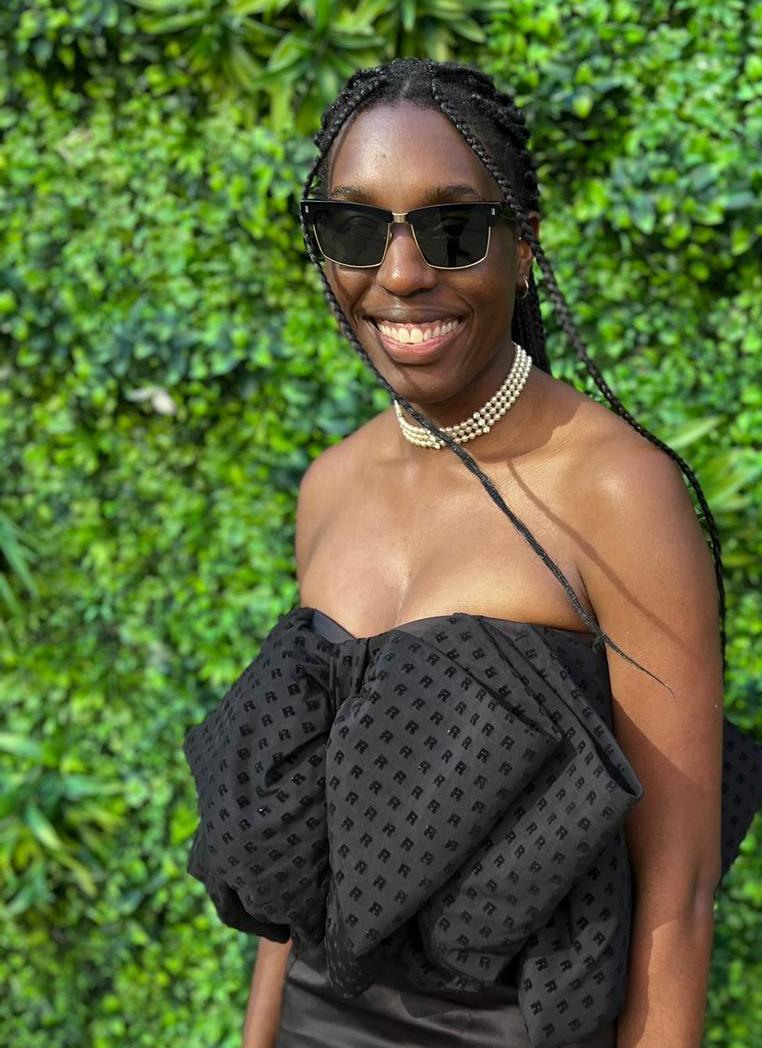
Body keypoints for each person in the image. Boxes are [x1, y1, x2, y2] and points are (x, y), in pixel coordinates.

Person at [189, 57, 727, 1048]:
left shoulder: (618, 493)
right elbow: (305, 877)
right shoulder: (330, 487)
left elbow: (679, 892)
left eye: (451, 229)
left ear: (521, 246)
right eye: (355, 229)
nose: (399, 274)